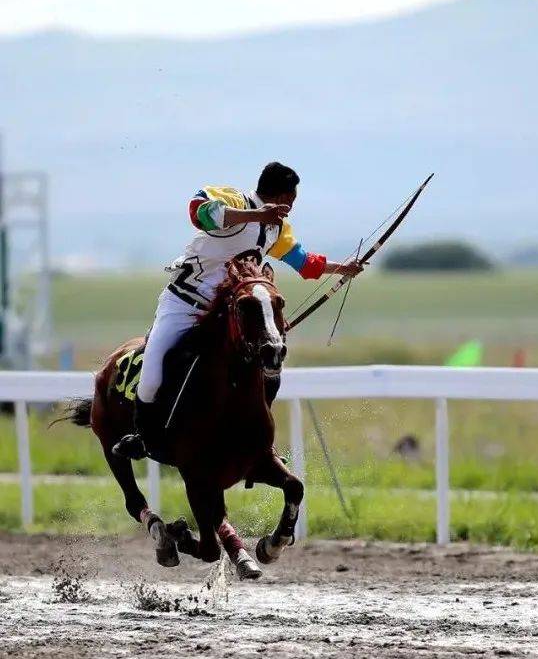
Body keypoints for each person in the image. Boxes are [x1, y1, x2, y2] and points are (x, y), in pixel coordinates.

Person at [112, 162, 362, 460]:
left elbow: (303, 262)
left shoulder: (276, 227)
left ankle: (259, 444)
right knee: (152, 376)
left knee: (263, 363)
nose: (290, 209)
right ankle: (144, 437)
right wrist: (258, 214)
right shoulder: (235, 201)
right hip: (183, 303)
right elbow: (199, 211)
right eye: (290, 202)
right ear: (280, 196)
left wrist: (342, 268)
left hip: (225, 311)